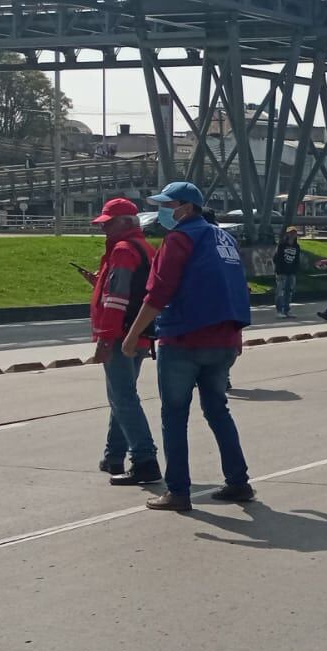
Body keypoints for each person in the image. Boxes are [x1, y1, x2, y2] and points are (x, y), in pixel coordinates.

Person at [122, 182, 252, 512]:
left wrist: (132, 334)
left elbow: (158, 293)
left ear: (187, 208)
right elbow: (236, 287)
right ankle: (239, 482)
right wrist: (236, 336)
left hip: (184, 339)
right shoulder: (226, 239)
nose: (165, 211)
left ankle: (178, 491)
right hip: (223, 339)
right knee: (217, 410)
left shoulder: (179, 238)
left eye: (169, 204)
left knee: (174, 415)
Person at [82, 197, 161, 486]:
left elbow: (116, 300)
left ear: (126, 223)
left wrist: (105, 338)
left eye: (109, 224)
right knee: (121, 395)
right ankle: (113, 456)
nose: (105, 230)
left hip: (120, 336)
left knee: (123, 397)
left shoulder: (124, 250)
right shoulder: (144, 248)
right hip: (138, 335)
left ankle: (145, 459)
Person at [272, 226, 301, 318]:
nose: (292, 234)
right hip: (282, 272)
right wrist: (279, 270)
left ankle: (287, 310)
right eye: (291, 233)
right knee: (280, 292)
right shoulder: (282, 245)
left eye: (294, 233)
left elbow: (297, 259)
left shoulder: (297, 246)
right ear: (287, 234)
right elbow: (276, 258)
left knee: (289, 291)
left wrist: (295, 270)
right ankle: (279, 310)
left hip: (291, 272)